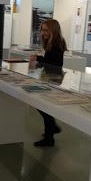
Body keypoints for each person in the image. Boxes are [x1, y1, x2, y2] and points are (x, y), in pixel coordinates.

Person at [29, 19, 67, 147]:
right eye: (42, 30)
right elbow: (49, 60)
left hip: (53, 79)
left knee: (44, 107)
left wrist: (39, 61)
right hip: (49, 77)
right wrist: (39, 59)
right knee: (42, 106)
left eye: (46, 30)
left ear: (53, 30)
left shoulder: (57, 43)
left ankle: (49, 137)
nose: (43, 32)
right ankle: (52, 129)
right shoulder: (51, 42)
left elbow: (55, 63)